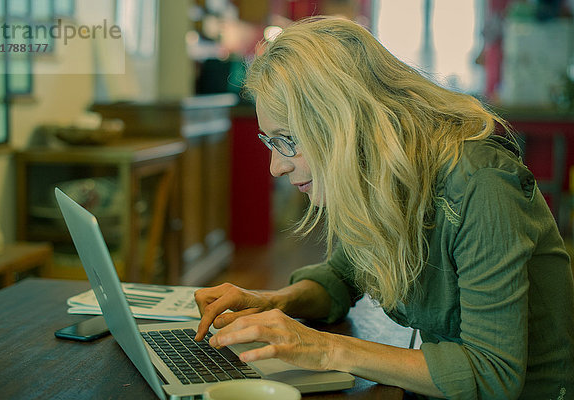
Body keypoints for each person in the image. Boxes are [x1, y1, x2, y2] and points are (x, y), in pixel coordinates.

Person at [193, 16, 574, 399]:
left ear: (343, 124)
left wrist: (325, 349)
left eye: (287, 140)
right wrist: (273, 302)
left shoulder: (480, 184)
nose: (277, 166)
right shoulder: (384, 177)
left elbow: (492, 375)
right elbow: (344, 275)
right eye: (270, 142)